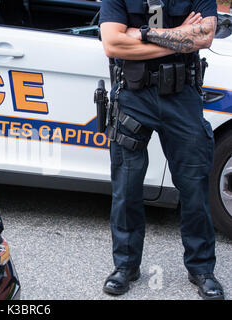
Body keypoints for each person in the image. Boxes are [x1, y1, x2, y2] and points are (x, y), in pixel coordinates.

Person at [99, 0, 225, 300]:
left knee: (194, 187)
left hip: (182, 96)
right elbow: (112, 43)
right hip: (133, 96)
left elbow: (204, 36)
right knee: (126, 188)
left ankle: (202, 268)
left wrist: (140, 35)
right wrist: (179, 36)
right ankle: (126, 266)